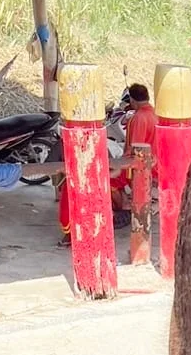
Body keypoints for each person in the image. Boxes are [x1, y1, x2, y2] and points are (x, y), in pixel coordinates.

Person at [58, 83, 156, 246]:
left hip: (137, 163)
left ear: (132, 100)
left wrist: (119, 167)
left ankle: (120, 208)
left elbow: (135, 148)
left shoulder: (138, 118)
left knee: (102, 182)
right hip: (148, 161)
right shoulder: (153, 114)